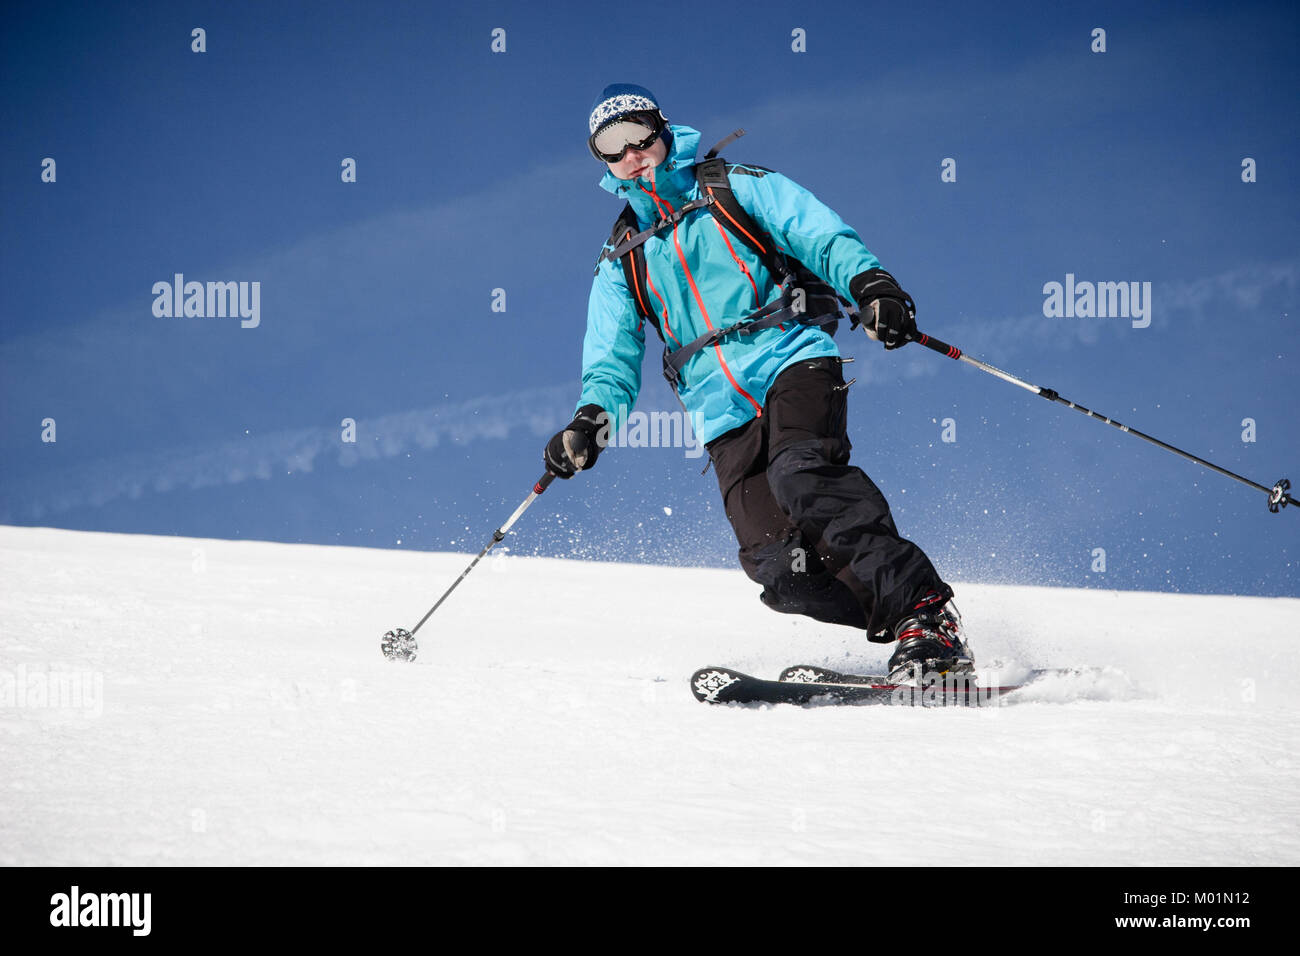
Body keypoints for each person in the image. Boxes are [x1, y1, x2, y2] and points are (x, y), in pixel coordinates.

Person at [544, 83, 972, 683]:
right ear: (603, 163)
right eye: (612, 147)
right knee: (781, 570)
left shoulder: (731, 186)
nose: (632, 153)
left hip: (791, 358)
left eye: (640, 135)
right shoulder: (621, 257)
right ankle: (903, 626)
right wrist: (592, 419)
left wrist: (873, 287)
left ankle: (925, 616)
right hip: (718, 410)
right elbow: (612, 358)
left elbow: (819, 236)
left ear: (664, 131)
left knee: (803, 475)